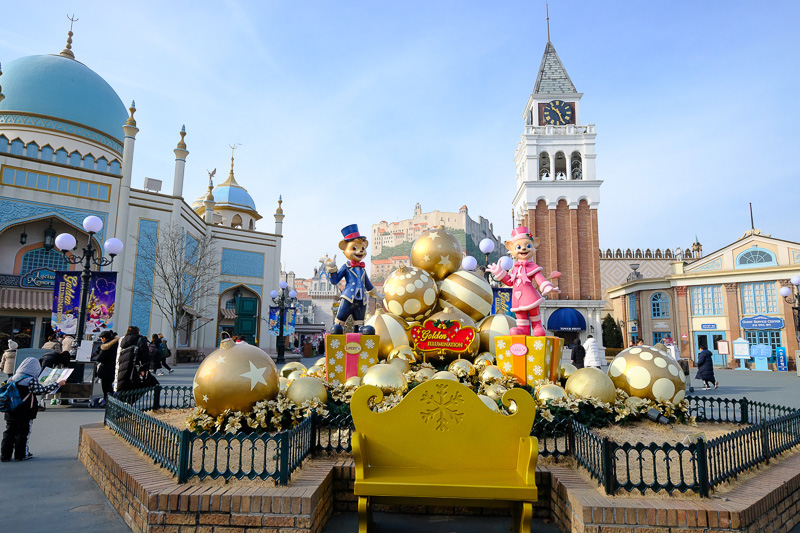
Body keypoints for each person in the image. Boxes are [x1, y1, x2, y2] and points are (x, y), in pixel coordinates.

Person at [1, 357, 65, 462]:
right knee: (23, 431)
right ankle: (20, 455)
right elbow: (41, 390)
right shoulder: (30, 380)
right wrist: (57, 384)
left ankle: (5, 455)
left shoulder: (13, 378)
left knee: (9, 431)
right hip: (25, 410)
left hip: (11, 409)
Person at [114, 326, 150, 394]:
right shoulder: (140, 339)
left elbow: (118, 356)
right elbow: (145, 355)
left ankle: (122, 399)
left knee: (123, 385)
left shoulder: (122, 340)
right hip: (134, 367)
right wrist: (144, 368)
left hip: (121, 367)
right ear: (137, 332)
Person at [93, 331, 118, 404]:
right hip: (112, 368)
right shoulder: (115, 344)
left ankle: (108, 401)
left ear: (104, 338)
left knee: (106, 387)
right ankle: (110, 400)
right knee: (109, 385)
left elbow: (100, 358)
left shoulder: (107, 346)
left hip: (106, 369)